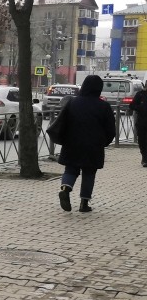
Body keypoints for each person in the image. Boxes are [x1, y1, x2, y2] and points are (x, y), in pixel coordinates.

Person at [55, 74, 117, 213]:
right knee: (89, 173)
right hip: (93, 145)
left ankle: (65, 189)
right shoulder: (104, 106)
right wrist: (104, 142)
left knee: (70, 169)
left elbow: (62, 123)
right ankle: (84, 204)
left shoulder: (72, 103)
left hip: (72, 143)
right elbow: (110, 129)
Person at [129, 81, 147, 167]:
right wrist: (141, 108)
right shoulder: (140, 95)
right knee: (142, 141)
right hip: (142, 122)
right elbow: (132, 105)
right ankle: (144, 158)